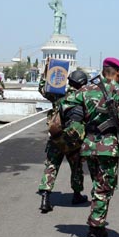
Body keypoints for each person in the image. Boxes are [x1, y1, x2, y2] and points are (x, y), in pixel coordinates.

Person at [66, 57, 119, 237]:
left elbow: (68, 108)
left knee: (98, 186)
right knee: (104, 190)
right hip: (107, 148)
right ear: (117, 73)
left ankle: (98, 231)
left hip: (88, 146)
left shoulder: (85, 90)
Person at [37, 70, 89, 213]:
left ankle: (45, 197)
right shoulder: (84, 97)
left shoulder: (59, 94)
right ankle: (77, 195)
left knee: (51, 165)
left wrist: (46, 74)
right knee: (76, 167)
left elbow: (42, 89)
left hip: (57, 138)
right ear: (83, 83)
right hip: (74, 141)